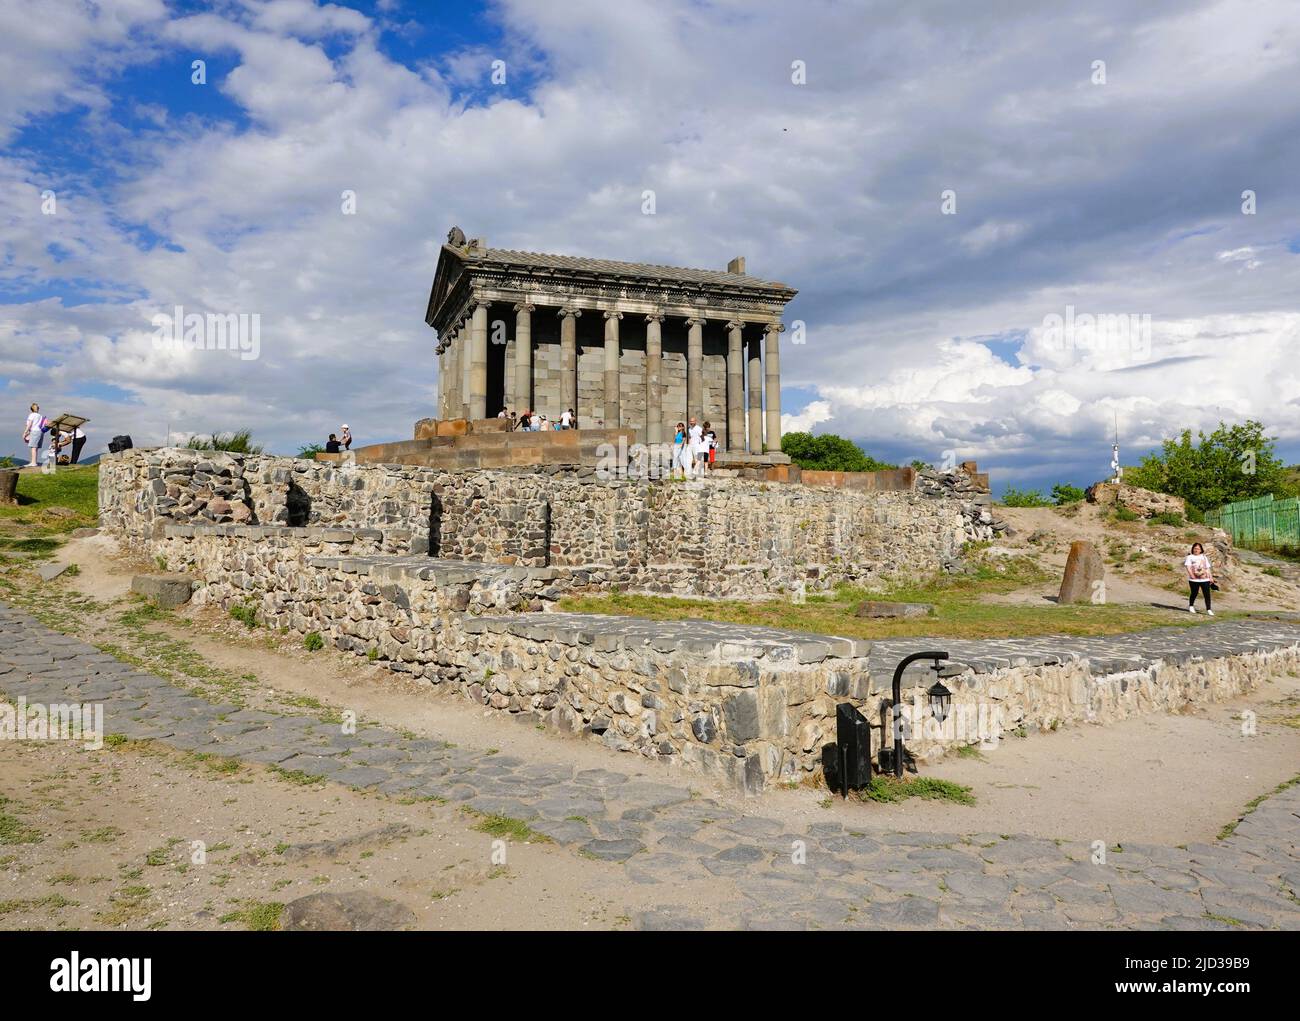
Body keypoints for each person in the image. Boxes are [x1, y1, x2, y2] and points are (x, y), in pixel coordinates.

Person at [1185, 542, 1215, 615]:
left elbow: (1207, 568)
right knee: (1194, 593)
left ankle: (1209, 609)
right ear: (1193, 549)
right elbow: (1188, 567)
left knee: (1207, 594)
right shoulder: (1190, 557)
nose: (1196, 550)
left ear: (1201, 550)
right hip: (1194, 579)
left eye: (1198, 549)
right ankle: (1191, 606)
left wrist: (1211, 577)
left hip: (1205, 579)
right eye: (1195, 548)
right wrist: (1191, 575)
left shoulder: (1204, 557)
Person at [22, 403, 45, 467]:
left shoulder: (31, 415)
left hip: (34, 431)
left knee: (33, 448)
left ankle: (33, 462)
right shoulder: (40, 416)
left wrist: (25, 432)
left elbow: (30, 424)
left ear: (31, 409)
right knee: (35, 448)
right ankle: (34, 462)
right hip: (40, 432)